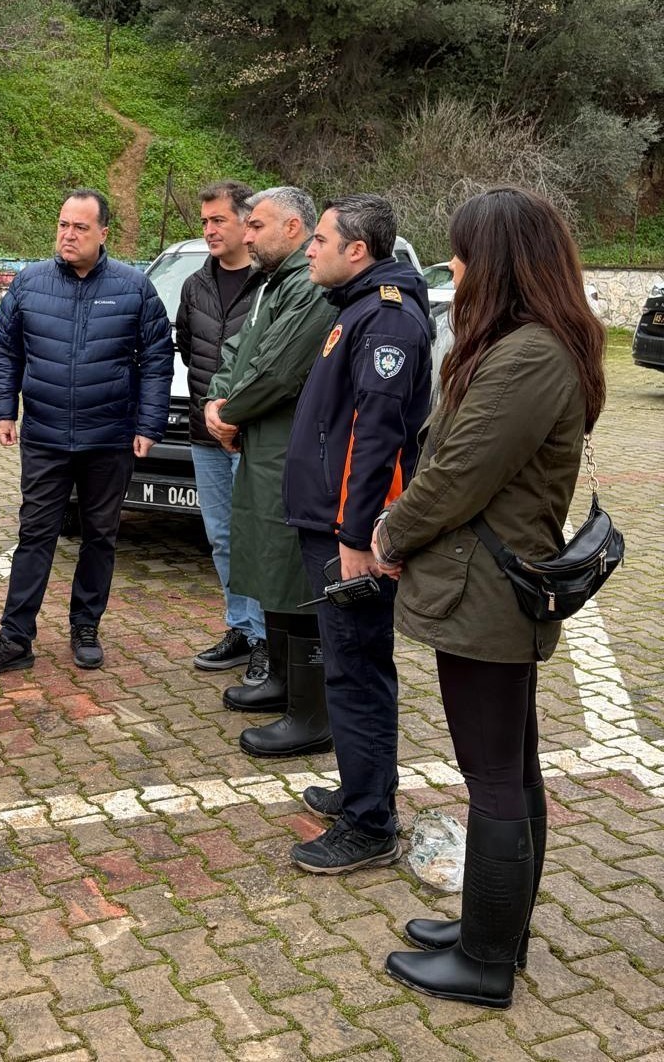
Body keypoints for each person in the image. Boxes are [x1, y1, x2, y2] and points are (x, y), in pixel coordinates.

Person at [377, 187, 606, 1008]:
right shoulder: (532, 345)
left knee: (496, 777)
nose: (456, 268)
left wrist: (391, 533)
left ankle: (484, 962)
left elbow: (456, 476)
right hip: (488, 588)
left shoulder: (529, 356)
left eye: (465, 254)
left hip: (486, 593)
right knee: (510, 766)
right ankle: (495, 930)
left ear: (501, 265)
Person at [0, 188, 173, 679]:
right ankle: (15, 638)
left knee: (100, 535)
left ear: (103, 233)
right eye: (62, 225)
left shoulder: (134, 287)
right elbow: (5, 350)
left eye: (80, 227)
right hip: (45, 435)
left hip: (109, 436)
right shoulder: (29, 283)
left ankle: (85, 627)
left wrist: (149, 423)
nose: (68, 235)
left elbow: (158, 359)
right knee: (35, 535)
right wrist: (2, 410)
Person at [283, 194, 431, 874]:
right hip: (334, 523)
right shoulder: (360, 311)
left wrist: (353, 538)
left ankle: (371, 823)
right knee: (349, 669)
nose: (309, 249)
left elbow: (375, 442)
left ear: (357, 252)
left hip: (353, 534)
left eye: (319, 239)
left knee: (359, 672)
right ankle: (359, 788)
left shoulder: (387, 323)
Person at [203, 187, 338, 754]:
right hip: (261, 447)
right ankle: (282, 681)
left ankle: (311, 714)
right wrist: (215, 400)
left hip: (288, 448)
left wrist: (228, 412)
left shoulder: (308, 287)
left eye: (256, 226)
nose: (246, 235)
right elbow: (235, 353)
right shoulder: (271, 285)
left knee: (291, 570)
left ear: (294, 227)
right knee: (265, 559)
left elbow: (279, 370)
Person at [178, 181, 270, 681]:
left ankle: (265, 640)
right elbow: (188, 348)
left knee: (256, 539)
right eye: (205, 221)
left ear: (245, 222)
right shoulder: (195, 285)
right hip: (204, 435)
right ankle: (240, 627)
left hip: (253, 435)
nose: (210, 230)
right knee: (222, 538)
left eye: (219, 220)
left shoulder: (271, 283)